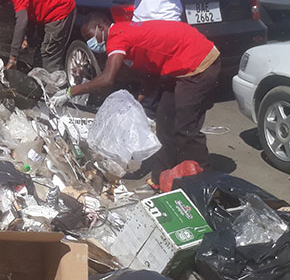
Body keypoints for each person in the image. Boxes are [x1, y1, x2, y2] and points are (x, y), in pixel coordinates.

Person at [52, 12, 221, 180]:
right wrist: (140, 98)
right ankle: (161, 177)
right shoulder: (125, 32)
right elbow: (152, 66)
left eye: (91, 37)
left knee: (185, 127)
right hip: (179, 65)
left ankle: (205, 178)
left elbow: (107, 79)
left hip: (199, 64)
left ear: (101, 28)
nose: (91, 44)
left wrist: (70, 92)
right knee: (164, 122)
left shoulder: (117, 38)